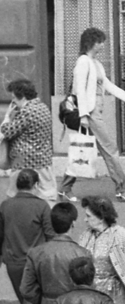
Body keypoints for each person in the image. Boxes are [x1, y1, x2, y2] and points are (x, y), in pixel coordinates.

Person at [0, 170, 54, 304]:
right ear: (35, 185)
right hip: (35, 261)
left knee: (27, 301)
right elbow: (50, 234)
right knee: (32, 302)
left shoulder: (5, 206)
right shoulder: (41, 206)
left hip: (13, 261)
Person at [64, 27, 125, 200]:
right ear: (91, 43)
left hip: (94, 111)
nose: (102, 45)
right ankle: (122, 188)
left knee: (82, 150)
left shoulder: (95, 63)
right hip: (90, 112)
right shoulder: (83, 62)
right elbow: (79, 91)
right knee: (110, 148)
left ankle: (65, 188)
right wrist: (83, 115)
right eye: (100, 42)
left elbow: (108, 85)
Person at [0, 78, 57, 204]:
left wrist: (8, 117)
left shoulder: (26, 111)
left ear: (22, 97)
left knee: (15, 198)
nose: (12, 101)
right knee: (46, 196)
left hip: (24, 162)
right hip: (43, 160)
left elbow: (7, 131)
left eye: (14, 97)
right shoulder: (43, 107)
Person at [78, 195, 125, 304]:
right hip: (90, 296)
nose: (85, 220)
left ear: (101, 218)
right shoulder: (86, 235)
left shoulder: (120, 235)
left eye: (89, 216)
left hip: (115, 299)